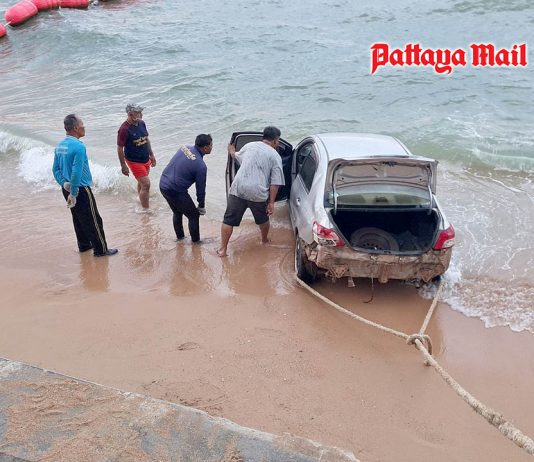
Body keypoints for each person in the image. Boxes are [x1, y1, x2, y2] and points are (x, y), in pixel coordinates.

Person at [52, 114, 118, 257]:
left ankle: (84, 245)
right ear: (76, 128)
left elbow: (55, 170)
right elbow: (76, 171)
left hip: (66, 188)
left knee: (78, 217)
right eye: (82, 124)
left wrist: (65, 184)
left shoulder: (60, 146)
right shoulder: (79, 146)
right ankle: (101, 250)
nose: (84, 126)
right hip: (80, 189)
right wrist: (74, 192)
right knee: (94, 220)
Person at [217, 126, 285, 257]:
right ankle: (264, 240)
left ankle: (222, 250)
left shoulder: (250, 145)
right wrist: (271, 203)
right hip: (257, 192)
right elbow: (275, 182)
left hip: (238, 188)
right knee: (263, 220)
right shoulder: (275, 156)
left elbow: (237, 157)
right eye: (278, 141)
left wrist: (231, 151)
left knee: (228, 220)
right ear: (275, 140)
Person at [159, 134, 213, 243]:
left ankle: (180, 239)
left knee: (177, 212)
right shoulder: (201, 166)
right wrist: (201, 206)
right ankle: (196, 243)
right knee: (194, 216)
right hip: (175, 190)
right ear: (205, 148)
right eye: (211, 145)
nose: (212, 147)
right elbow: (200, 190)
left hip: (163, 183)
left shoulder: (185, 147)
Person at [117, 103, 156, 210]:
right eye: (138, 112)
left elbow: (146, 139)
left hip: (145, 158)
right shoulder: (124, 129)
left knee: (142, 183)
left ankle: (140, 200)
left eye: (141, 112)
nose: (141, 114)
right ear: (130, 114)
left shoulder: (142, 123)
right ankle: (146, 210)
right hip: (134, 161)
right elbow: (120, 148)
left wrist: (151, 155)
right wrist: (123, 165)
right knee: (146, 184)